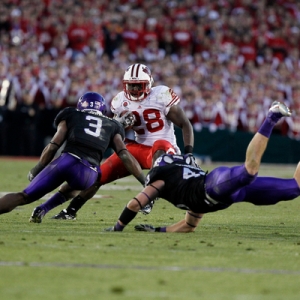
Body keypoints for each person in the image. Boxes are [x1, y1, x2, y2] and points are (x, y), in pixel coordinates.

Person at [30, 63, 194, 222]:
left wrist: (189, 153)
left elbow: (185, 124)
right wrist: (122, 124)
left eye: (139, 85)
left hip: (165, 151)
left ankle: (149, 195)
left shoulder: (161, 95)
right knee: (97, 176)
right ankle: (68, 211)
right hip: (138, 148)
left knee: (160, 145)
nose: (135, 90)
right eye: (131, 86)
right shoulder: (120, 101)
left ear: (149, 83)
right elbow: (115, 133)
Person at [105, 101, 299, 233]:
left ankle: (271, 117)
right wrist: (158, 230)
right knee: (294, 188)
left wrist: (118, 227)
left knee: (249, 172)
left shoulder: (161, 175)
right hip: (222, 193)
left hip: (212, 186)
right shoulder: (181, 177)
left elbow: (134, 204)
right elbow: (189, 225)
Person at [0, 92, 145, 217]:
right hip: (88, 173)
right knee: (93, 179)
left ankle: (41, 207)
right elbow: (124, 155)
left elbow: (53, 146)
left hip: (66, 161)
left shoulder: (71, 114)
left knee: (24, 196)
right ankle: (44, 208)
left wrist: (37, 168)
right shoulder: (113, 125)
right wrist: (145, 182)